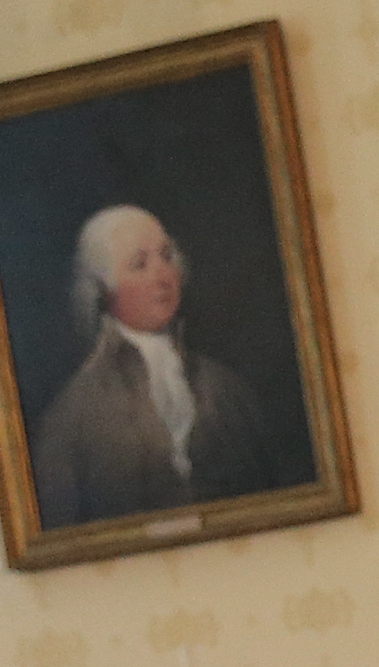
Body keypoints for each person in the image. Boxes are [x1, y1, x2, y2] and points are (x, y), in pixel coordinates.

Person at [32, 204, 282, 527]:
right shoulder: (73, 415)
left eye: (166, 257)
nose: (162, 275)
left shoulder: (227, 389)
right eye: (139, 265)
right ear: (104, 289)